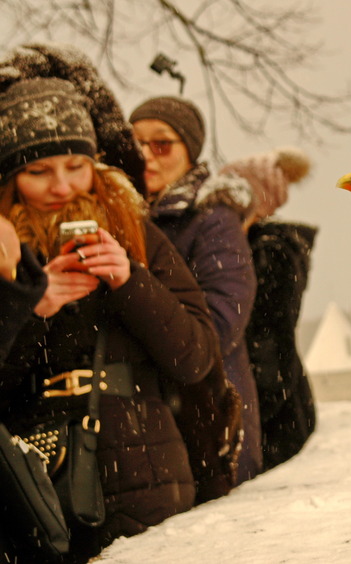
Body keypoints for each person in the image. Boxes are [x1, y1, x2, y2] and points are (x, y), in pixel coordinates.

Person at [0, 77, 237, 562]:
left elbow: (196, 357)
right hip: (33, 482)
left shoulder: (132, 224)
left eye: (76, 166)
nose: (62, 186)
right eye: (39, 171)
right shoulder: (3, 250)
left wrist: (131, 281)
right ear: (9, 177)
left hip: (147, 468)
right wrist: (29, 307)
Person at [129, 96, 261, 483]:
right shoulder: (126, 216)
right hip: (155, 419)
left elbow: (222, 323)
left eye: (162, 144)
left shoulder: (212, 220)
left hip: (212, 415)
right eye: (135, 143)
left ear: (189, 152)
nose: (146, 156)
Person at [220, 147, 318, 469]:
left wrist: (252, 414)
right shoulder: (249, 250)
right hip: (269, 412)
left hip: (274, 421)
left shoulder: (271, 254)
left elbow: (270, 346)